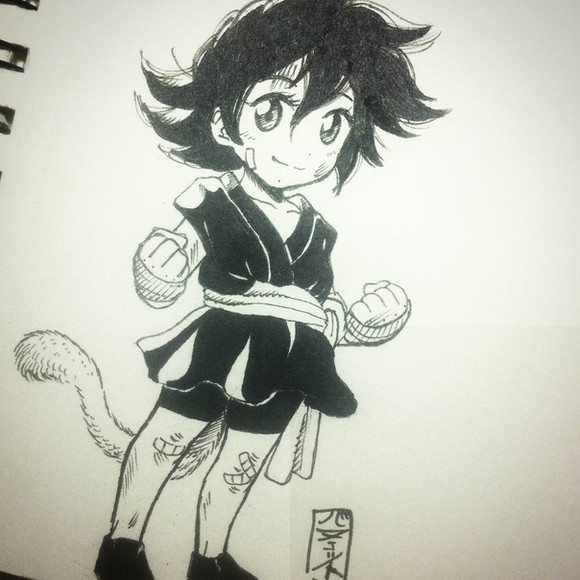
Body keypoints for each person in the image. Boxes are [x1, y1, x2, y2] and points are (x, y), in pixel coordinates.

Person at [94, 0, 445, 578]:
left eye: (331, 124)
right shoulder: (212, 199)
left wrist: (369, 322)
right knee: (166, 442)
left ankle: (209, 558)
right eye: (272, 111)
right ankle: (121, 545)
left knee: (242, 464)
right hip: (219, 342)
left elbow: (324, 309)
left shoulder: (319, 229)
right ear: (222, 123)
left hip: (291, 359)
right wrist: (156, 270)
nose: (304, 144)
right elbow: (170, 269)